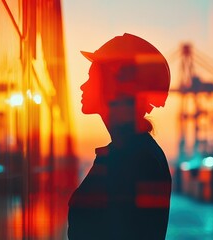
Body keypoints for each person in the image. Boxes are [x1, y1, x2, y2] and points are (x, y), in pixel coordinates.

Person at [68, 33, 172, 240]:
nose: (83, 86)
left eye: (91, 78)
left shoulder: (138, 160)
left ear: (113, 87)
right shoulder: (133, 153)